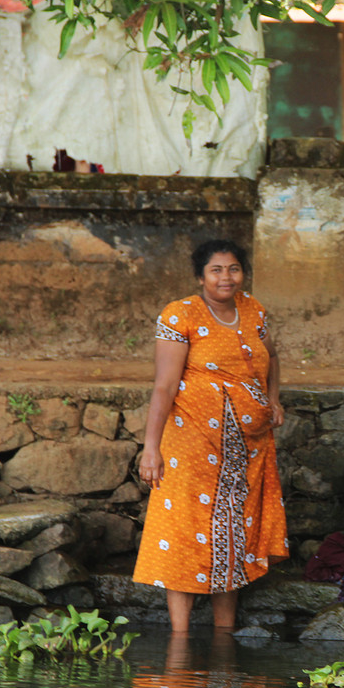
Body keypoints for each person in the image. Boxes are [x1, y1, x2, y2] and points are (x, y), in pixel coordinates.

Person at [133, 239, 289, 632]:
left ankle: (224, 632)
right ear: (200, 277)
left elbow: (273, 357)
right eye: (216, 270)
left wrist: (273, 400)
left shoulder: (254, 310)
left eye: (233, 269)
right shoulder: (179, 315)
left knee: (235, 528)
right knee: (183, 528)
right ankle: (180, 638)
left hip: (247, 448)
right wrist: (151, 449)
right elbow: (164, 387)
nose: (226, 277)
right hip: (191, 442)